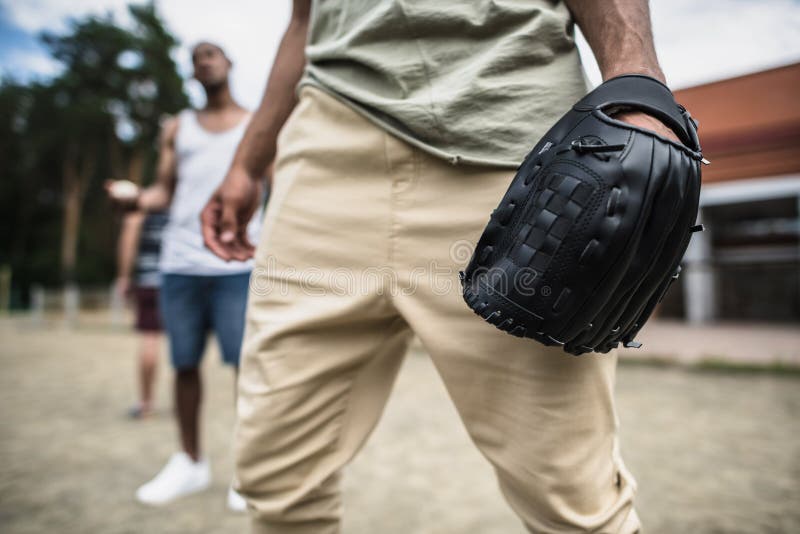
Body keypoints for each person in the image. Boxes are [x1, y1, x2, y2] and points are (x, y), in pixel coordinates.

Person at [203, 1, 680, 531]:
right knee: (274, 480)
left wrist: (639, 83)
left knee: (574, 499)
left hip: (521, 167)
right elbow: (303, 19)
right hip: (322, 158)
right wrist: (247, 163)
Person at [107, 41, 262, 510]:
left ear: (230, 63)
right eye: (196, 57)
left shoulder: (258, 125)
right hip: (181, 263)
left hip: (238, 265)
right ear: (191, 72)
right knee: (184, 365)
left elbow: (278, 184)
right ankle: (191, 462)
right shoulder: (178, 127)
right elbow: (163, 192)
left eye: (212, 53)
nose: (204, 61)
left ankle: (248, 472)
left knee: (245, 368)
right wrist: (134, 200)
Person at [114, 209, 168, 419]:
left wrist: (124, 276)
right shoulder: (182, 203)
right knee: (185, 345)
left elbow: (128, 240)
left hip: (148, 280)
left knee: (149, 339)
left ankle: (146, 402)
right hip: (181, 280)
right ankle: (186, 399)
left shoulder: (139, 211)